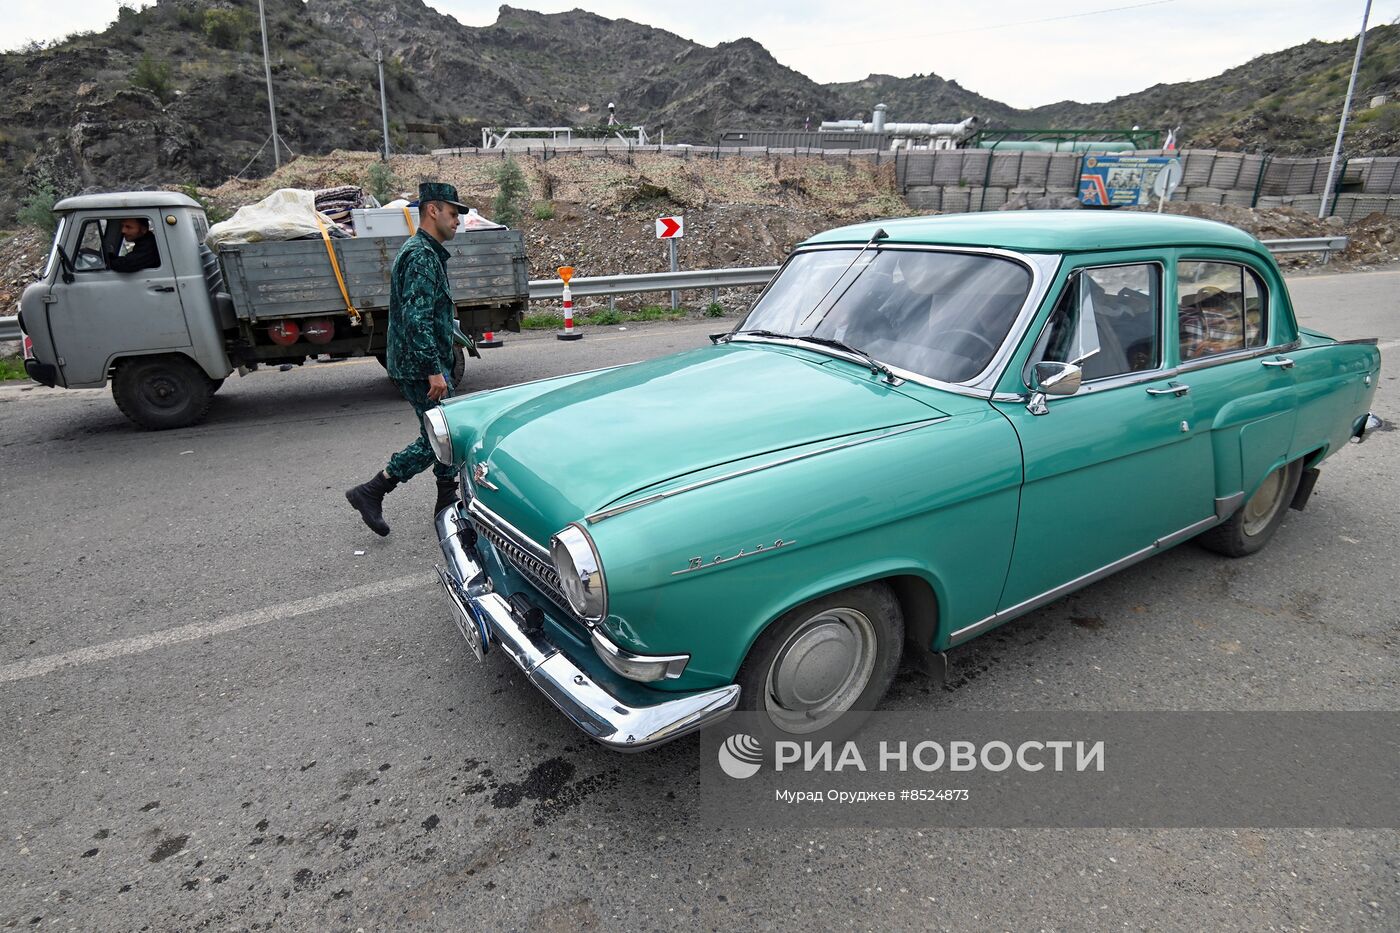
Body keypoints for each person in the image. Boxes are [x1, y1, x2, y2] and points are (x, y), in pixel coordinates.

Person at [345, 182, 475, 536]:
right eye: (452, 214)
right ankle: (373, 491)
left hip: (422, 360)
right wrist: (434, 369)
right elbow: (416, 318)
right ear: (433, 211)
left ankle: (444, 503)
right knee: (441, 437)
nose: (457, 222)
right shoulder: (420, 255)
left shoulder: (427, 252)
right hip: (420, 365)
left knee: (443, 434)